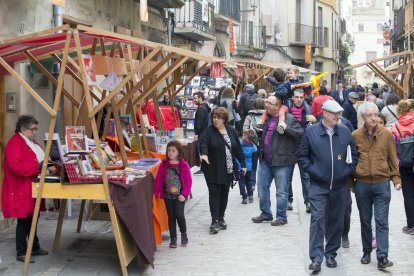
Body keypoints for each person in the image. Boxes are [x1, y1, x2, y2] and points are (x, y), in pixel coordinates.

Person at [298, 100, 357, 272]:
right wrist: (313, 171)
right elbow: (302, 156)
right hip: (318, 184)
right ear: (324, 113)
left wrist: (346, 171)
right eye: (335, 113)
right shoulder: (311, 132)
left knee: (336, 221)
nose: (339, 116)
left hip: (340, 185)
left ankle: (331, 253)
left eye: (339, 113)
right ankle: (316, 258)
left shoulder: (345, 132)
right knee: (317, 219)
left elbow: (353, 155)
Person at [352, 102, 401, 269]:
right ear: (363, 118)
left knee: (381, 221)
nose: (374, 118)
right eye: (369, 115)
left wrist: (396, 179)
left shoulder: (387, 134)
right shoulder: (355, 135)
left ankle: (382, 256)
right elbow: (351, 160)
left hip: (381, 184)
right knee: (365, 220)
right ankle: (366, 251)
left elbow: (392, 158)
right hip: (362, 185)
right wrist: (350, 182)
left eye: (376, 115)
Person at [1, 115, 51, 263]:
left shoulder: (29, 141)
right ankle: (21, 252)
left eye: (36, 129)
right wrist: (38, 168)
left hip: (30, 186)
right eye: (33, 129)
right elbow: (17, 166)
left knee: (33, 218)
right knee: (24, 220)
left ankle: (34, 247)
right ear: (23, 129)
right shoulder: (15, 143)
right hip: (20, 188)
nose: (35, 132)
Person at [251, 95, 304, 226]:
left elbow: (301, 133)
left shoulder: (289, 118)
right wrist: (257, 133)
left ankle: (281, 217)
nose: (266, 104)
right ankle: (266, 214)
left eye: (270, 103)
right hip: (265, 160)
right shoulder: (266, 118)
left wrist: (286, 129)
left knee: (281, 191)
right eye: (266, 102)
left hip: (282, 161)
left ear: (278, 106)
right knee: (262, 188)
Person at [199, 107, 246, 234]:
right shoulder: (208, 132)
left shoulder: (231, 130)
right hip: (212, 168)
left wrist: (243, 164)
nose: (216, 120)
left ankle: (221, 217)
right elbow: (203, 144)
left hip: (228, 168)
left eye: (218, 117)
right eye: (214, 117)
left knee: (224, 194)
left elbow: (238, 148)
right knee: (214, 193)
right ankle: (214, 221)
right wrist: (204, 154)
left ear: (224, 119)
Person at [154, 140, 192, 248]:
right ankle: (173, 239)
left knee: (179, 215)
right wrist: (156, 193)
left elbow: (188, 181)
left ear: (179, 152)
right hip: (167, 196)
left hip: (179, 196)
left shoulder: (183, 165)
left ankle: (184, 234)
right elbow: (159, 179)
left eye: (173, 151)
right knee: (171, 217)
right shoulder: (164, 164)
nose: (170, 153)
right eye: (169, 150)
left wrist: (184, 195)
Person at [287, 88, 317, 213]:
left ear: (304, 98)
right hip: (289, 145)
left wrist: (315, 121)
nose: (299, 99)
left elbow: (318, 126)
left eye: (301, 97)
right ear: (292, 98)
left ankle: (308, 202)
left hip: (304, 146)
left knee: (305, 176)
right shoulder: (287, 109)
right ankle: (288, 200)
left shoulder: (308, 111)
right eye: (296, 97)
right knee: (287, 175)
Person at [390, 99, 414, 235]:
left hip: (404, 164)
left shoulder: (395, 126)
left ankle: (411, 225)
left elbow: (393, 147)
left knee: (408, 194)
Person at [243, 98, 265, 193]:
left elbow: (244, 129)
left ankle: (252, 184)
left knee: (253, 166)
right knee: (264, 167)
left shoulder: (249, 116)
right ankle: (262, 188)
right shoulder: (266, 115)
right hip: (264, 145)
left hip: (252, 144)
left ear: (254, 106)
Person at [193, 92, 211, 175]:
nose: (194, 100)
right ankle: (204, 168)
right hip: (205, 132)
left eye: (195, 98)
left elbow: (199, 123)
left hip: (201, 133)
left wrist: (196, 133)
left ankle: (203, 169)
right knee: (204, 150)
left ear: (200, 98)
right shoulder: (205, 107)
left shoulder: (201, 109)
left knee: (202, 150)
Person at [237, 129, 258, 204]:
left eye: (243, 134)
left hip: (241, 167)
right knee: (248, 182)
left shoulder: (240, 144)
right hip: (249, 168)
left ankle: (244, 197)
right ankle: (251, 196)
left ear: (246, 137)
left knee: (241, 183)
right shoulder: (253, 146)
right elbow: (255, 153)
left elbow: (236, 154)